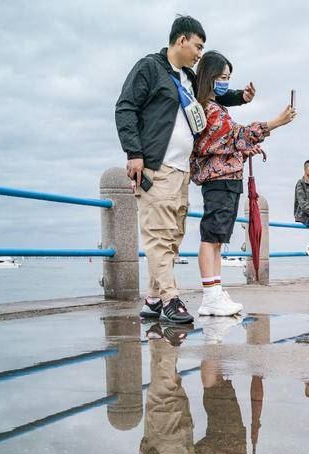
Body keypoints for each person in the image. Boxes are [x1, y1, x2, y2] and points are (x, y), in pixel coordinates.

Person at [115, 15, 255, 324]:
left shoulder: (188, 78)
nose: (199, 54)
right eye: (198, 46)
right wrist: (134, 153)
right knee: (158, 235)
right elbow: (125, 107)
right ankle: (169, 298)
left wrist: (240, 98)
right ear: (181, 40)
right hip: (155, 166)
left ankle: (152, 299)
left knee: (174, 236)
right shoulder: (149, 68)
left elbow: (213, 94)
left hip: (181, 171)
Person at [191, 51, 295, 316]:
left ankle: (214, 291)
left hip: (224, 180)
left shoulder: (214, 107)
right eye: (222, 77)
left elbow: (228, 143)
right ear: (209, 76)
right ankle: (210, 296)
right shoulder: (209, 109)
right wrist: (277, 122)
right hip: (219, 180)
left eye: (228, 77)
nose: (226, 82)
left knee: (217, 238)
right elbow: (238, 135)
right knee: (212, 237)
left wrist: (244, 149)